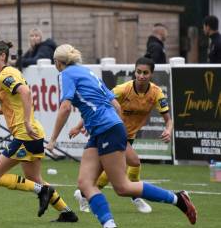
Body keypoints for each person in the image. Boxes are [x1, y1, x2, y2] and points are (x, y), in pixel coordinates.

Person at [46, 44, 197, 228]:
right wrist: (114, 128)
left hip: (106, 129)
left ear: (57, 63)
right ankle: (109, 225)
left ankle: (178, 199)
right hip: (103, 130)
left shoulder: (65, 75)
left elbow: (65, 107)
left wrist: (53, 139)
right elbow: (115, 105)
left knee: (122, 187)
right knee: (85, 183)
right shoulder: (87, 72)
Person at [0, 40, 78, 222]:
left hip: (25, 135)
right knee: (34, 177)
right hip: (32, 134)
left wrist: (25, 122)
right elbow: (10, 106)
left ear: (2, 56)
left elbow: (26, 93)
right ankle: (67, 213)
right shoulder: (9, 73)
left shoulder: (5, 75)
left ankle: (42, 191)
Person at [71, 57, 173, 214]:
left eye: (145, 73)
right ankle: (136, 196)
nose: (141, 76)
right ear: (134, 72)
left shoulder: (156, 93)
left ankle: (85, 194)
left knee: (110, 170)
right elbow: (97, 106)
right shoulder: (123, 89)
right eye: (138, 72)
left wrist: (168, 129)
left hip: (128, 135)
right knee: (134, 162)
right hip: (113, 131)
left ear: (151, 74)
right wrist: (79, 125)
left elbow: (168, 119)